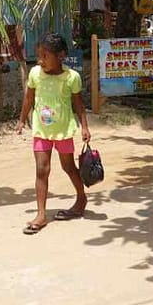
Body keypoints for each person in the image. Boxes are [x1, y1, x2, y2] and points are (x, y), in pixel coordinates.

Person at [16, 33, 91, 234]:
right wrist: (22, 119)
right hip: (41, 130)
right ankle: (41, 214)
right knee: (42, 169)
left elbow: (78, 104)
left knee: (68, 166)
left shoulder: (71, 77)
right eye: (38, 55)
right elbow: (29, 98)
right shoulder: (35, 74)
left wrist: (84, 126)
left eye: (45, 56)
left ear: (61, 55)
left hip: (63, 130)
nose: (40, 60)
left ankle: (81, 198)